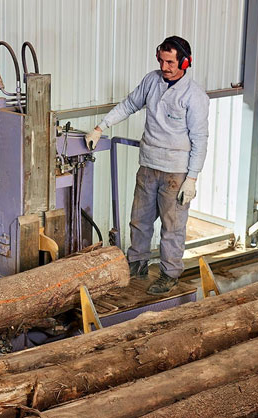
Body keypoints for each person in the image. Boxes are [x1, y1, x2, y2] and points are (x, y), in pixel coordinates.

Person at [85, 36, 209, 295]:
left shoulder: (195, 96)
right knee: (139, 220)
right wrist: (100, 127)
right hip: (148, 165)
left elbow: (200, 139)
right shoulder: (152, 81)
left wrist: (192, 178)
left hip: (176, 172)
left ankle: (169, 274)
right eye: (162, 61)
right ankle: (137, 263)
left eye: (171, 62)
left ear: (185, 62)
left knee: (172, 227)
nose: (165, 67)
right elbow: (130, 104)